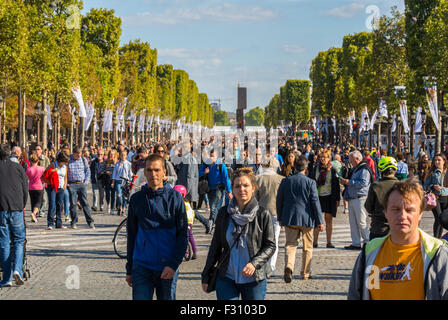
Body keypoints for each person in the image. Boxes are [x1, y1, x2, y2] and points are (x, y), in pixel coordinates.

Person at [348, 178, 448, 300]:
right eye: (395, 209)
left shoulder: (438, 253)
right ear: (385, 212)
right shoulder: (369, 252)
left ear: (420, 213)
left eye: (409, 210)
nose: (402, 216)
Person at [201, 168, 275, 300]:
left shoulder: (263, 214)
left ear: (253, 188)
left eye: (246, 185)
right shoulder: (224, 213)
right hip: (227, 276)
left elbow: (270, 245)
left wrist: (254, 263)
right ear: (232, 189)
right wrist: (206, 275)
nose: (242, 189)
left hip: (254, 278)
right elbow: (215, 246)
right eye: (237, 186)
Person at [125, 154, 188, 300]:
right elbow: (132, 235)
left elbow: (182, 235)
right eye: (149, 170)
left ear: (164, 172)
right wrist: (129, 268)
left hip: (167, 266)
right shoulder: (136, 199)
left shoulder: (175, 198)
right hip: (141, 267)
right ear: (144, 172)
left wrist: (173, 264)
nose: (153, 174)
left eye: (157, 170)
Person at [276, 155, 324, 283]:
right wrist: (320, 221)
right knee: (307, 247)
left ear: (294, 166)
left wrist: (280, 217)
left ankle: (289, 266)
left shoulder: (286, 181)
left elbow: (279, 200)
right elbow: (315, 202)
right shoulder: (310, 182)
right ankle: (305, 273)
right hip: (307, 218)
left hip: (290, 217)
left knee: (290, 245)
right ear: (306, 167)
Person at [0, 144, 28, 287]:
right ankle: (17, 269)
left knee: (4, 243)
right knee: (18, 240)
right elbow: (25, 188)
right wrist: (22, 204)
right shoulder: (18, 167)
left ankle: (7, 278)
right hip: (16, 208)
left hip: (1, 209)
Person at [255, 155, 284, 276]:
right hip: (276, 213)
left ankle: (261, 264)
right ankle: (271, 267)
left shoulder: (257, 179)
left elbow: (254, 198)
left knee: (261, 241)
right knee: (274, 241)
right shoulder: (281, 179)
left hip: (261, 212)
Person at [340, 150, 373, 250]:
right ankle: (356, 243)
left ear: (357, 159)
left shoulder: (364, 168)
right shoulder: (356, 168)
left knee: (361, 221)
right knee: (353, 222)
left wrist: (349, 182)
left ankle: (367, 241)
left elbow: (363, 183)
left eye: (351, 160)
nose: (350, 163)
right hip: (352, 197)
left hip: (361, 197)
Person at [311, 149, 341, 248]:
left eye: (325, 157)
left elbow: (336, 185)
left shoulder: (332, 170)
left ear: (329, 158)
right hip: (317, 197)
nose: (322, 159)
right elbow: (311, 182)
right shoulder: (315, 169)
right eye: (321, 157)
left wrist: (337, 199)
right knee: (316, 220)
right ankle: (314, 242)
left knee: (329, 221)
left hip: (329, 197)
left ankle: (329, 242)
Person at [364, 156, 398, 240]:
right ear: (395, 170)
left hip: (378, 228)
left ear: (381, 170)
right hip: (396, 229)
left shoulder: (376, 186)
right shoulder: (401, 186)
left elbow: (368, 207)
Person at [199, 149, 232, 226]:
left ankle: (210, 224)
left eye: (213, 156)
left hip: (219, 189)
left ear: (217, 156)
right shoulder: (206, 164)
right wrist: (204, 172)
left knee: (213, 208)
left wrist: (229, 191)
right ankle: (217, 224)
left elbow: (226, 178)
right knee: (215, 208)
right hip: (209, 189)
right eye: (210, 156)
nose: (211, 158)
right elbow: (199, 172)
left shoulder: (220, 165)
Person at [67, 146, 95, 230]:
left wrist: (86, 182)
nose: (79, 156)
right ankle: (74, 222)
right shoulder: (68, 160)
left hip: (81, 184)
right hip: (72, 184)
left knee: (85, 203)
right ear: (73, 153)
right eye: (77, 155)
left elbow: (87, 171)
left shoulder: (83, 160)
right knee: (73, 204)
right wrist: (67, 184)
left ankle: (90, 221)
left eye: (80, 154)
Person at [43, 152, 70, 230]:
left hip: (61, 188)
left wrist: (64, 185)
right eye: (64, 162)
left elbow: (65, 177)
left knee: (60, 205)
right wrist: (50, 183)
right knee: (52, 205)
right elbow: (44, 176)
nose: (65, 164)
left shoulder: (65, 167)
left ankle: (59, 223)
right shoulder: (52, 165)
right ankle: (50, 223)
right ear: (60, 160)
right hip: (52, 188)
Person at [423, 153, 448, 239]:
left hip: (446, 198)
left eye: (439, 160)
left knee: (443, 219)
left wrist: (443, 189)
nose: (437, 162)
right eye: (435, 160)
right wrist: (432, 186)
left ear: (444, 162)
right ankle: (436, 238)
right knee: (438, 218)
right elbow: (425, 185)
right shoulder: (432, 173)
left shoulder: (447, 172)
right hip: (435, 198)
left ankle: (440, 238)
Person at [112, 150, 133, 216]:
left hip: (126, 181)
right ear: (120, 156)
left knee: (125, 197)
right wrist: (113, 182)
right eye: (121, 155)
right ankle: (119, 207)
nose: (123, 156)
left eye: (124, 155)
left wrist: (131, 181)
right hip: (118, 181)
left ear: (126, 156)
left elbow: (130, 173)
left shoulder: (129, 164)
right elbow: (114, 173)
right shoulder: (117, 163)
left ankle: (123, 209)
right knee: (119, 196)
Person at [25, 154, 45, 223]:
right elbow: (43, 177)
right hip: (39, 187)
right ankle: (34, 214)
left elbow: (26, 178)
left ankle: (33, 217)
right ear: (38, 160)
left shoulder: (28, 169)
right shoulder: (41, 168)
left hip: (31, 187)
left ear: (30, 161)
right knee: (38, 202)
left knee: (33, 202)